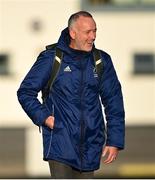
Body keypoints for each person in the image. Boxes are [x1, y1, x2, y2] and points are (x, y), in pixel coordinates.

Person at [17, 11, 125, 179]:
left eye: (95, 31)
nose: (93, 36)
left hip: (91, 143)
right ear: (72, 33)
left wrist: (114, 141)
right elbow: (25, 92)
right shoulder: (52, 59)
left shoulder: (101, 61)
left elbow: (114, 102)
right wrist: (45, 118)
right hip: (60, 140)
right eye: (88, 32)